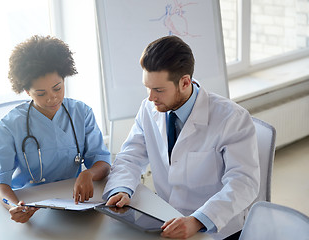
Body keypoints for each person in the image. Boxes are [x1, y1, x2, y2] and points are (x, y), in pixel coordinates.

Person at [103, 36, 260, 239]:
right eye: (147, 87)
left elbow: (243, 183)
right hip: (166, 219)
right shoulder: (149, 108)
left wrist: (198, 220)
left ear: (185, 82)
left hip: (214, 228)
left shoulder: (231, 118)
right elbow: (130, 157)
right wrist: (122, 188)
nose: (151, 97)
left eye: (158, 90)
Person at [0, 35, 111, 223]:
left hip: (74, 202)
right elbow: (0, 184)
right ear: (27, 91)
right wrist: (14, 206)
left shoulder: (82, 113)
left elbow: (102, 162)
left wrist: (88, 173)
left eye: (58, 88)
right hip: (31, 206)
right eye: (41, 93)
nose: (52, 98)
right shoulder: (8, 126)